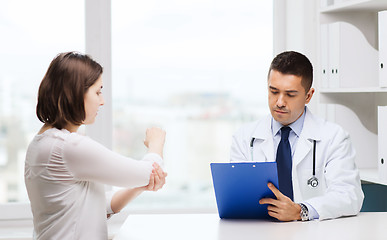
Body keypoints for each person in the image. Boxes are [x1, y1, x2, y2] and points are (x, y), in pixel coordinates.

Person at [24, 52, 167, 239]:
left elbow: (100, 205)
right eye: (98, 92)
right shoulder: (67, 146)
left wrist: (141, 185)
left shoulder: (42, 143)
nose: (102, 101)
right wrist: (156, 143)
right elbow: (146, 172)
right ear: (74, 93)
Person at [230, 51, 364, 221]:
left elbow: (349, 195)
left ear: (308, 96)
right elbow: (237, 197)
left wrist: (301, 210)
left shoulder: (334, 137)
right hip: (260, 231)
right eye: (274, 91)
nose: (279, 102)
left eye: (290, 94)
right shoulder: (244, 137)